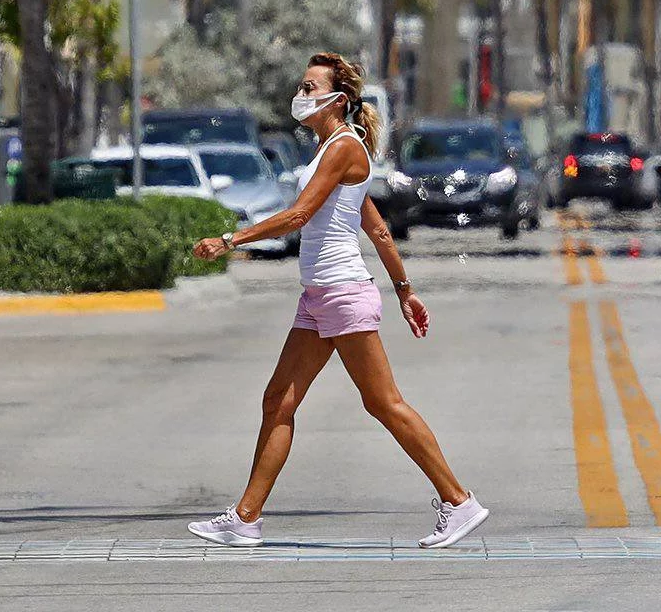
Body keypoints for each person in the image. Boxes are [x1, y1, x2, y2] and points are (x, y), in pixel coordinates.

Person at [186, 52, 486, 551]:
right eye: (301, 86)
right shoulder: (333, 151)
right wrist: (405, 290)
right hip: (320, 297)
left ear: (337, 100)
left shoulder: (344, 148)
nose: (300, 96)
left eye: (309, 87)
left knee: (383, 403)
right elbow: (377, 228)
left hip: (343, 293)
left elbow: (300, 214)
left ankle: (459, 501)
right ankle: (245, 518)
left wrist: (231, 240)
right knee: (278, 400)